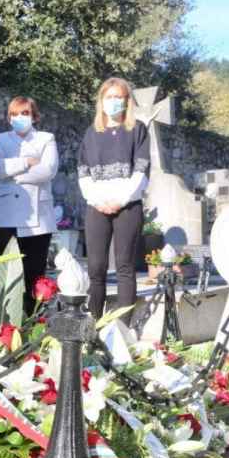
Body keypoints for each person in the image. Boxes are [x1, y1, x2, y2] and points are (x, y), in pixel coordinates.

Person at [78, 77, 150, 319]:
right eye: (109, 97)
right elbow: (83, 173)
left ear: (127, 101)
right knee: (96, 268)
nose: (114, 102)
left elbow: (141, 170)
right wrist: (98, 201)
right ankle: (93, 323)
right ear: (101, 101)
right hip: (96, 206)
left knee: (125, 267)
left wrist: (120, 199)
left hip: (127, 206)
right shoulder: (91, 133)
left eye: (119, 97)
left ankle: (123, 326)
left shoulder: (137, 129)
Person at [0, 96, 58, 315]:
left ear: (34, 116)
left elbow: (48, 171)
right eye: (15, 114)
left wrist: (12, 173)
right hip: (6, 218)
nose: (20, 118)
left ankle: (33, 320)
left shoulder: (46, 139)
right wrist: (26, 162)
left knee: (34, 276)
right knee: (8, 276)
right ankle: (9, 323)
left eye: (25, 113)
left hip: (39, 220)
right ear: (9, 118)